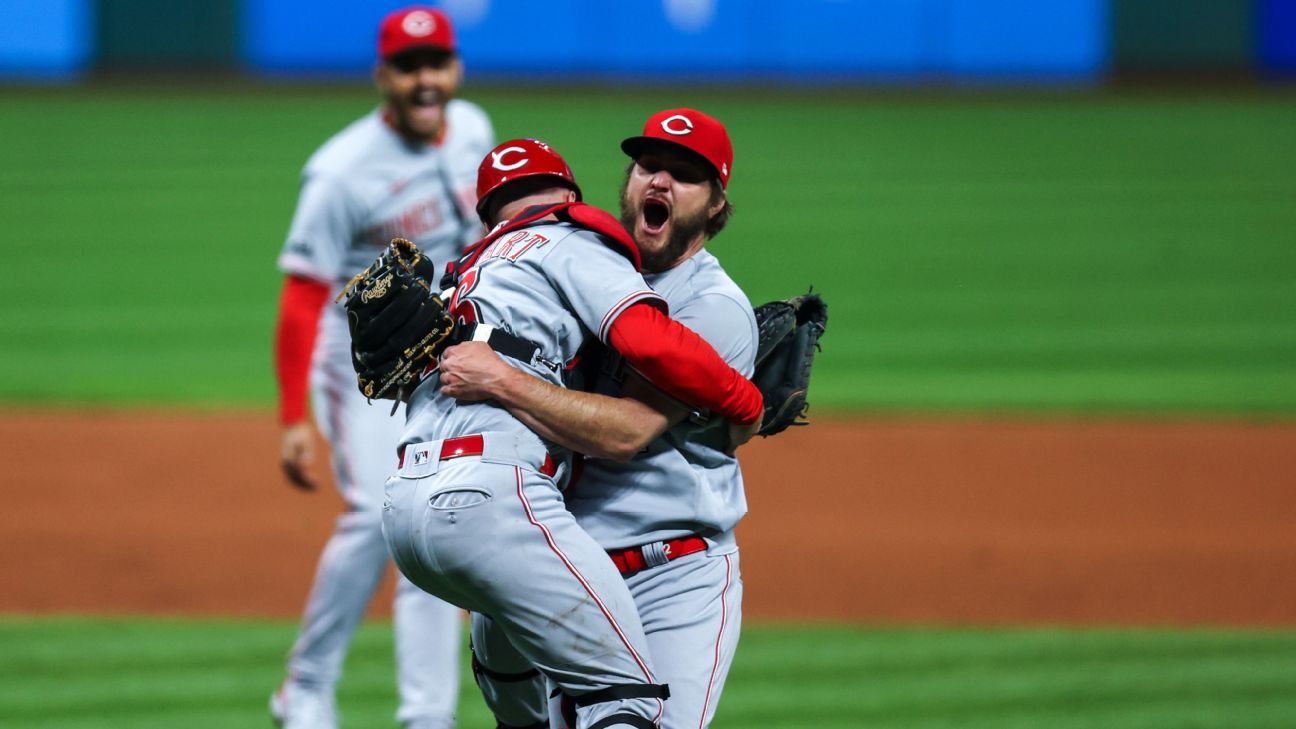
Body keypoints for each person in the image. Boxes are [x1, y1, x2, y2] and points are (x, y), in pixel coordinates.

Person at [380, 137, 763, 729]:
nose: (659, 182)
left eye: (684, 175)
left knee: (629, 707)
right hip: (558, 546)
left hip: (668, 573)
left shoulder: (711, 306)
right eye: (648, 167)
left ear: (716, 204)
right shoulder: (562, 266)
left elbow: (626, 433)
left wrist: (744, 401)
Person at [270, 7, 493, 729]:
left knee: (430, 521)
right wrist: (292, 418)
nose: (426, 81)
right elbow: (303, 297)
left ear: (454, 68)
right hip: (358, 356)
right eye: (409, 66)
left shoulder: (477, 132)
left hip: (450, 349)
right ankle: (305, 684)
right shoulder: (340, 172)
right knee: (376, 513)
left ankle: (428, 716)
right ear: (382, 76)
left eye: (437, 63)